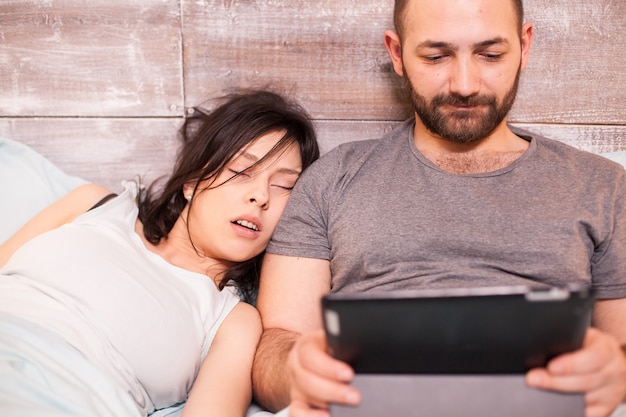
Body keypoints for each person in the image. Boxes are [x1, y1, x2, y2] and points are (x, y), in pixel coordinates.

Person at [251, 1, 626, 417]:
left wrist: (617, 370)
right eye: (436, 56)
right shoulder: (332, 179)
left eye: (490, 55)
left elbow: (621, 349)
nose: (464, 84)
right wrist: (298, 371)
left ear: (525, 45)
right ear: (397, 54)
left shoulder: (603, 186)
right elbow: (275, 348)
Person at [0, 90, 320, 417]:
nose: (260, 196)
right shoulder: (93, 206)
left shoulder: (233, 321)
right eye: (241, 171)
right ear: (193, 181)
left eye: (284, 186)